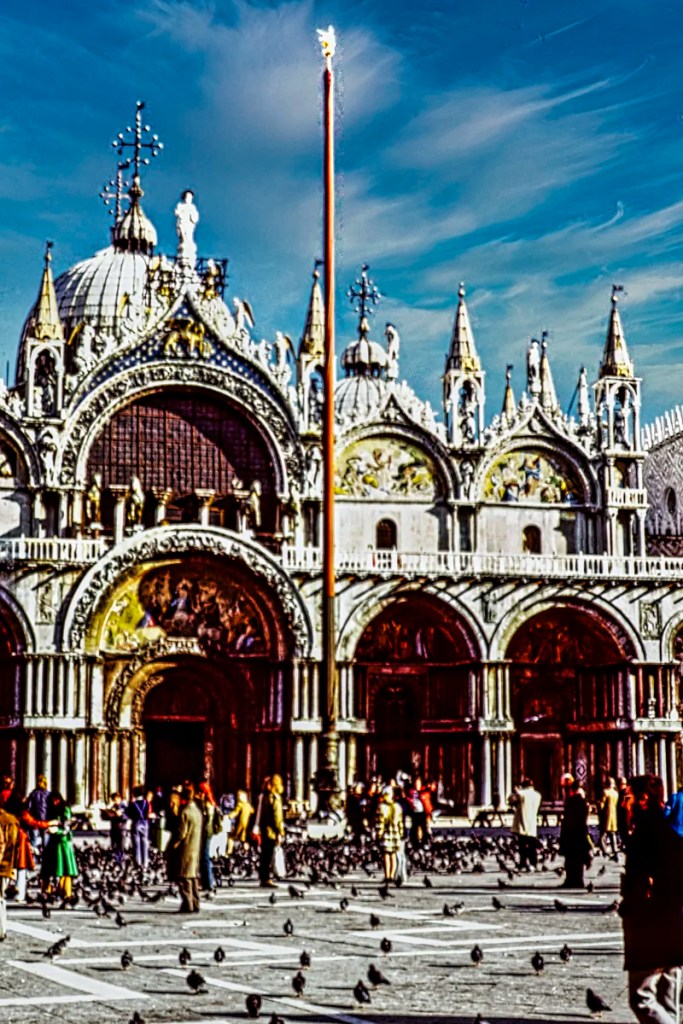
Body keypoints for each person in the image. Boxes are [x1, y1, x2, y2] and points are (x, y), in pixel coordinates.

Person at [621, 775, 683, 1024]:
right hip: (675, 926)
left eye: (628, 798)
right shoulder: (674, 836)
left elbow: (638, 887)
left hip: (651, 931)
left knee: (641, 997)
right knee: (670, 1002)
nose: (624, 804)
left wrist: (630, 908)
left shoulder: (643, 838)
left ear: (643, 799)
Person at [40, 792, 78, 898]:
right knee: (48, 868)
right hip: (53, 842)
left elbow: (67, 828)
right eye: (52, 800)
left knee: (65, 869)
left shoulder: (65, 809)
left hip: (63, 843)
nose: (54, 802)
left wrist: (56, 830)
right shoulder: (52, 809)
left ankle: (66, 893)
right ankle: (47, 892)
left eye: (56, 800)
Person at [174, 783, 203, 914]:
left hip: (186, 846)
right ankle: (196, 902)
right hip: (196, 846)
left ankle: (187, 904)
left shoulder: (185, 812)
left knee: (184, 875)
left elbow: (182, 833)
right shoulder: (197, 811)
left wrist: (175, 844)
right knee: (193, 876)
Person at [559, 776, 591, 888]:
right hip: (580, 833)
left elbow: (568, 819)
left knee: (571, 860)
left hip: (571, 834)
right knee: (579, 860)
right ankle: (579, 880)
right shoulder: (584, 802)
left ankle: (571, 880)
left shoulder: (571, 801)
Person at [256, 775, 285, 888]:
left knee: (264, 855)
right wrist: (280, 832)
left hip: (264, 829)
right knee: (268, 855)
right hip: (271, 831)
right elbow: (277, 817)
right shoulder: (275, 798)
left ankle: (264, 877)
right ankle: (267, 878)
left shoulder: (265, 796)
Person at [510, 778, 542, 870]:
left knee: (522, 845)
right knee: (532, 845)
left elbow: (511, 799)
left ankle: (523, 862)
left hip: (522, 822)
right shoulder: (537, 795)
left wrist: (516, 791)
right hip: (532, 822)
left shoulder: (522, 794)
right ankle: (533, 862)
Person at [376, 785, 404, 884]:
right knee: (393, 854)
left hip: (386, 833)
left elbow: (380, 822)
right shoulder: (397, 807)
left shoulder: (381, 807)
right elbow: (400, 821)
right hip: (395, 833)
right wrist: (401, 832)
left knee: (386, 855)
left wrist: (378, 833)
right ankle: (392, 875)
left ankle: (387, 875)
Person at [0, 805, 19, 939]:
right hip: (8, 865)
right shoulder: (12, 821)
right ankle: (2, 929)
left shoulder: (2, 821)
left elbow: (1, 844)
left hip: (1, 864)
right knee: (1, 899)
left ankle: (1, 930)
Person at [126, 785, 150, 870]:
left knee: (136, 843)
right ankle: (145, 862)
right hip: (145, 822)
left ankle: (138, 862)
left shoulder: (133, 804)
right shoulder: (146, 802)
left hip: (136, 822)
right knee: (145, 842)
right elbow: (147, 812)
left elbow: (128, 813)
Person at [26, 775, 49, 854]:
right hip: (45, 821)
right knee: (46, 843)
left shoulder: (33, 794)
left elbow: (28, 807)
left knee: (34, 843)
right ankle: (45, 860)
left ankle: (34, 860)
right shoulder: (48, 794)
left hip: (35, 821)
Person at [227, 790, 254, 856]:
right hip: (247, 825)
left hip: (240, 824)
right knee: (244, 839)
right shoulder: (248, 805)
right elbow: (252, 811)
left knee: (231, 838)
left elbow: (235, 812)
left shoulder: (240, 804)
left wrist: (228, 816)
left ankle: (229, 852)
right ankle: (246, 853)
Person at [599, 777, 620, 856]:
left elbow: (602, 804)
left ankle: (604, 850)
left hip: (606, 816)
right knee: (612, 834)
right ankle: (614, 849)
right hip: (613, 815)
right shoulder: (616, 793)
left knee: (603, 835)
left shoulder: (605, 792)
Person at [104, 793, 126, 864]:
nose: (114, 801)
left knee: (121, 846)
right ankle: (115, 860)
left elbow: (126, 816)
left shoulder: (123, 806)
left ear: (119, 799)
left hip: (121, 828)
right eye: (113, 800)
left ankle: (120, 860)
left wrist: (120, 815)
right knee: (114, 845)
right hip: (114, 828)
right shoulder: (113, 806)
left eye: (115, 800)